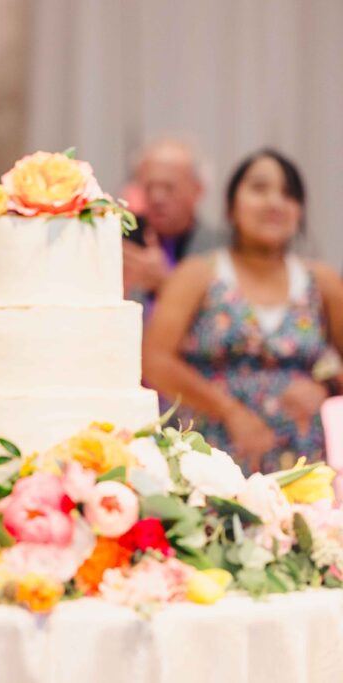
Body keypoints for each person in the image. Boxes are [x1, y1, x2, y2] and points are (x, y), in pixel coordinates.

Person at [143, 149, 343, 474]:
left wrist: (326, 388)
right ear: (231, 206)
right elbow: (155, 360)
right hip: (209, 457)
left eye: (288, 193)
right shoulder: (198, 274)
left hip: (300, 460)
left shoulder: (321, 282)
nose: (274, 202)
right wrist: (229, 411)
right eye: (260, 188)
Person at [123, 138, 224, 312]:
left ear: (198, 189)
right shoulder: (122, 241)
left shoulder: (221, 247)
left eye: (168, 187)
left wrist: (166, 284)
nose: (157, 198)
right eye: (149, 187)